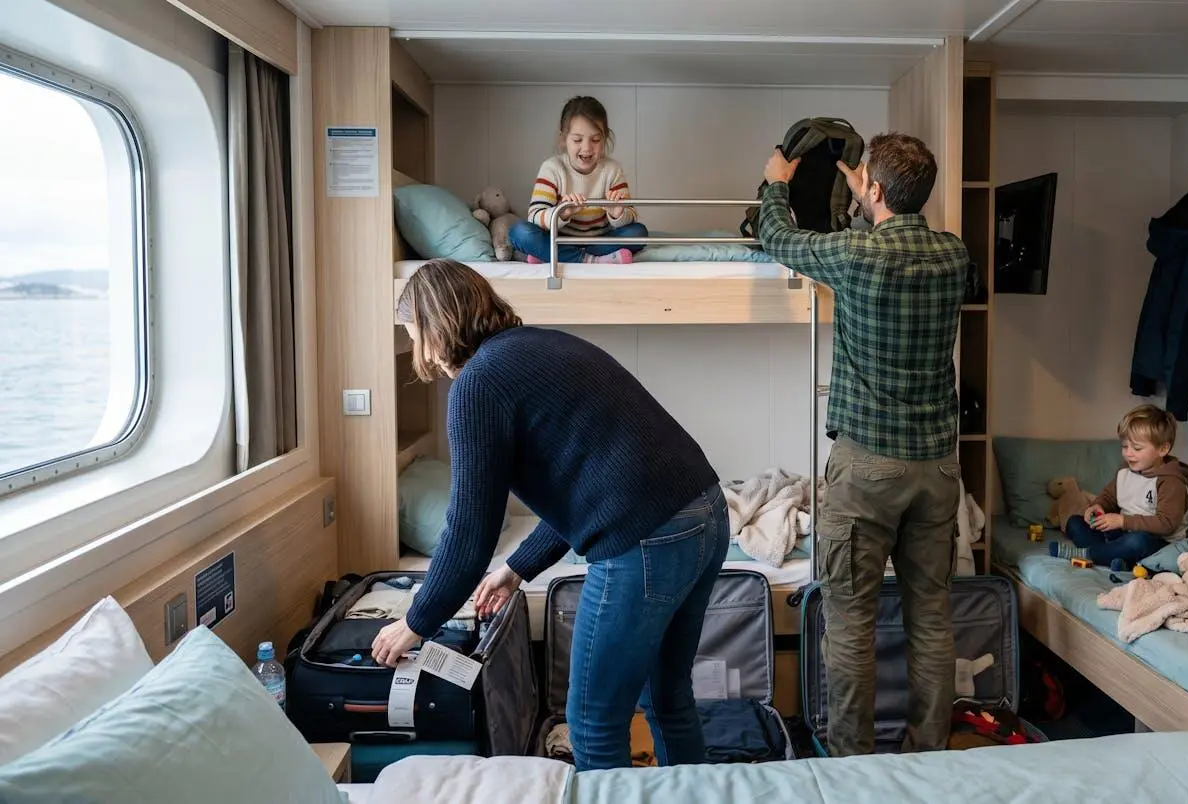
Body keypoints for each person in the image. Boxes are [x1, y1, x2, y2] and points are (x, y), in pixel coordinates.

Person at [371, 258, 726, 772]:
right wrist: (517, 570)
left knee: (593, 723)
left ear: (435, 326)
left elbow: (469, 532)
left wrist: (416, 621)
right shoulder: (538, 345)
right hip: (705, 511)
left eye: (415, 338)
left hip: (647, 538)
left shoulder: (478, 385)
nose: (420, 357)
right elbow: (585, 484)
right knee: (669, 700)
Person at [756, 133, 969, 756]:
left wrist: (776, 182)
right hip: (937, 465)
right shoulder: (955, 256)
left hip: (868, 467)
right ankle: (928, 753)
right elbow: (899, 227)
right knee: (931, 614)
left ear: (874, 189)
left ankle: (854, 764)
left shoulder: (857, 254)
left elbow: (780, 240)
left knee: (852, 618)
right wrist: (872, 195)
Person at [1050, 404, 1188, 571]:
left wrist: (1122, 521)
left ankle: (1090, 554)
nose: (1128, 453)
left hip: (1158, 542)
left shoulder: (1171, 481)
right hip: (1123, 533)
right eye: (1125, 446)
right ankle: (1117, 558)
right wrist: (1098, 506)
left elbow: (1166, 523)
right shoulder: (1125, 471)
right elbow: (1109, 497)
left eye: (1137, 448)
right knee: (1075, 522)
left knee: (1137, 541)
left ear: (1163, 449)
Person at [509, 95, 647, 264]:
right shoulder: (552, 168)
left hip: (598, 242)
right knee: (519, 232)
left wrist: (617, 212)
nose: (587, 148)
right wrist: (562, 212)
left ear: (605, 138)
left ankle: (551, 255)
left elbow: (630, 217)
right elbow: (535, 216)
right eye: (577, 140)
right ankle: (590, 260)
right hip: (559, 240)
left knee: (638, 232)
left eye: (595, 140)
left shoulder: (612, 170)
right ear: (564, 139)